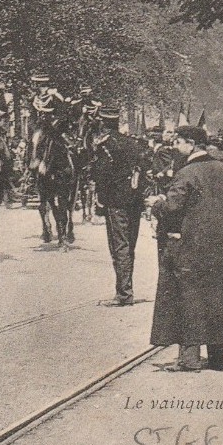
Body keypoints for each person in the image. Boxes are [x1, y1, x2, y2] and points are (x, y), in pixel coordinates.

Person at [146, 125, 223, 371]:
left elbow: (173, 206)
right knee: (220, 296)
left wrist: (156, 204)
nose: (175, 148)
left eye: (178, 143)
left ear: (190, 144)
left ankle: (189, 359)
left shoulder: (188, 172)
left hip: (193, 245)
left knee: (189, 297)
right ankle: (217, 359)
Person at [90, 105, 149, 306]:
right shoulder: (134, 143)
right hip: (134, 200)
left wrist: (99, 202)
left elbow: (101, 176)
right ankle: (126, 289)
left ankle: (124, 293)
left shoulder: (105, 144)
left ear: (103, 123)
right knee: (129, 246)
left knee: (119, 246)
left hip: (116, 201)